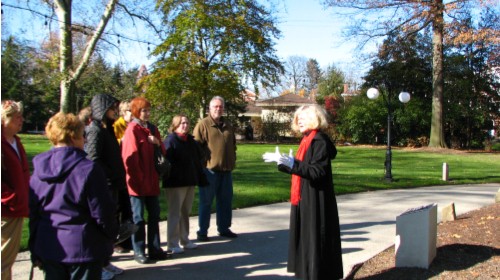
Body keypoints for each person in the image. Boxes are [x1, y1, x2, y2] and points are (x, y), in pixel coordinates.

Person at [29, 112, 118, 280]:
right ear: (74, 137)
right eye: (82, 135)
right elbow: (103, 213)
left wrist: (35, 247)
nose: (85, 140)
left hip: (50, 245)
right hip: (82, 248)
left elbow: (34, 213)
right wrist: (110, 236)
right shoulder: (88, 170)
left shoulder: (38, 170)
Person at [262, 104, 343, 280]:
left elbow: (317, 172)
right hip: (304, 197)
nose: (299, 121)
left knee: (314, 242)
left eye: (303, 118)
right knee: (305, 241)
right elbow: (303, 168)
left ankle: (314, 275)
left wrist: (293, 164)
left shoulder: (318, 140)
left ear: (315, 119)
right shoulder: (307, 139)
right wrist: (283, 163)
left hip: (315, 200)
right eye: (298, 119)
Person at [86, 94, 134, 279]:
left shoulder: (107, 129)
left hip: (114, 184)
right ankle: (99, 265)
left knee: (110, 225)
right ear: (103, 109)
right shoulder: (95, 130)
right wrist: (109, 176)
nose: (115, 110)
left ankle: (106, 261)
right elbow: (93, 159)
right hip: (105, 185)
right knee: (101, 226)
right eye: (112, 107)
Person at [121, 97, 170, 264]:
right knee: (138, 218)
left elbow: (163, 151)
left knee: (154, 215)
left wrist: (156, 142)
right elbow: (129, 158)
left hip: (152, 180)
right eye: (144, 110)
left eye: (149, 110)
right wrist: (137, 179)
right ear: (136, 112)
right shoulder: (132, 130)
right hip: (137, 182)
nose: (147, 113)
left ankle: (155, 248)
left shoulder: (153, 129)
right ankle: (139, 250)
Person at [193, 96, 237, 242]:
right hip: (209, 171)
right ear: (209, 109)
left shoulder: (228, 125)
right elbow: (196, 147)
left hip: (226, 171)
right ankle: (202, 231)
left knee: (225, 201)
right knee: (206, 202)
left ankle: (224, 228)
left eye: (220, 107)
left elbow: (233, 145)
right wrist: (203, 164)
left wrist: (233, 159)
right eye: (215, 107)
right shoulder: (203, 125)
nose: (218, 109)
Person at [163, 114, 206, 253]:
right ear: (175, 125)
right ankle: (172, 243)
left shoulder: (190, 142)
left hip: (189, 181)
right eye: (182, 123)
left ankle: (185, 239)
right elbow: (165, 162)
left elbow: (197, 160)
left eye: (187, 123)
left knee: (185, 212)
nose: (185, 125)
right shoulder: (170, 141)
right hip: (175, 183)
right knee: (174, 213)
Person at [1, 100, 29, 280]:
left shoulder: (15, 141)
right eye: (17, 117)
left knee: (8, 260)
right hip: (6, 211)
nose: (22, 120)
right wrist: (10, 198)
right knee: (3, 259)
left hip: (18, 207)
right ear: (5, 119)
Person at [112, 100, 134, 254]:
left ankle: (127, 240)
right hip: (120, 173)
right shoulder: (117, 126)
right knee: (119, 209)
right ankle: (116, 241)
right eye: (131, 111)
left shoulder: (132, 126)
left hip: (131, 172)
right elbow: (114, 147)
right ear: (124, 112)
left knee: (128, 208)